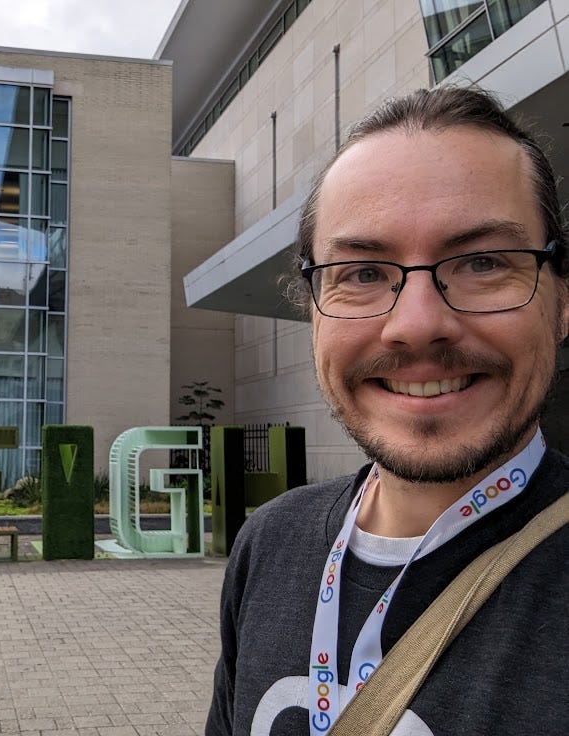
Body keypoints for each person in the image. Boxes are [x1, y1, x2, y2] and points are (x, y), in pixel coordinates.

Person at [206, 86, 568, 736]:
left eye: (483, 262)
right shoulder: (268, 544)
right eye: (362, 273)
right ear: (311, 309)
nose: (416, 325)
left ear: (561, 301)